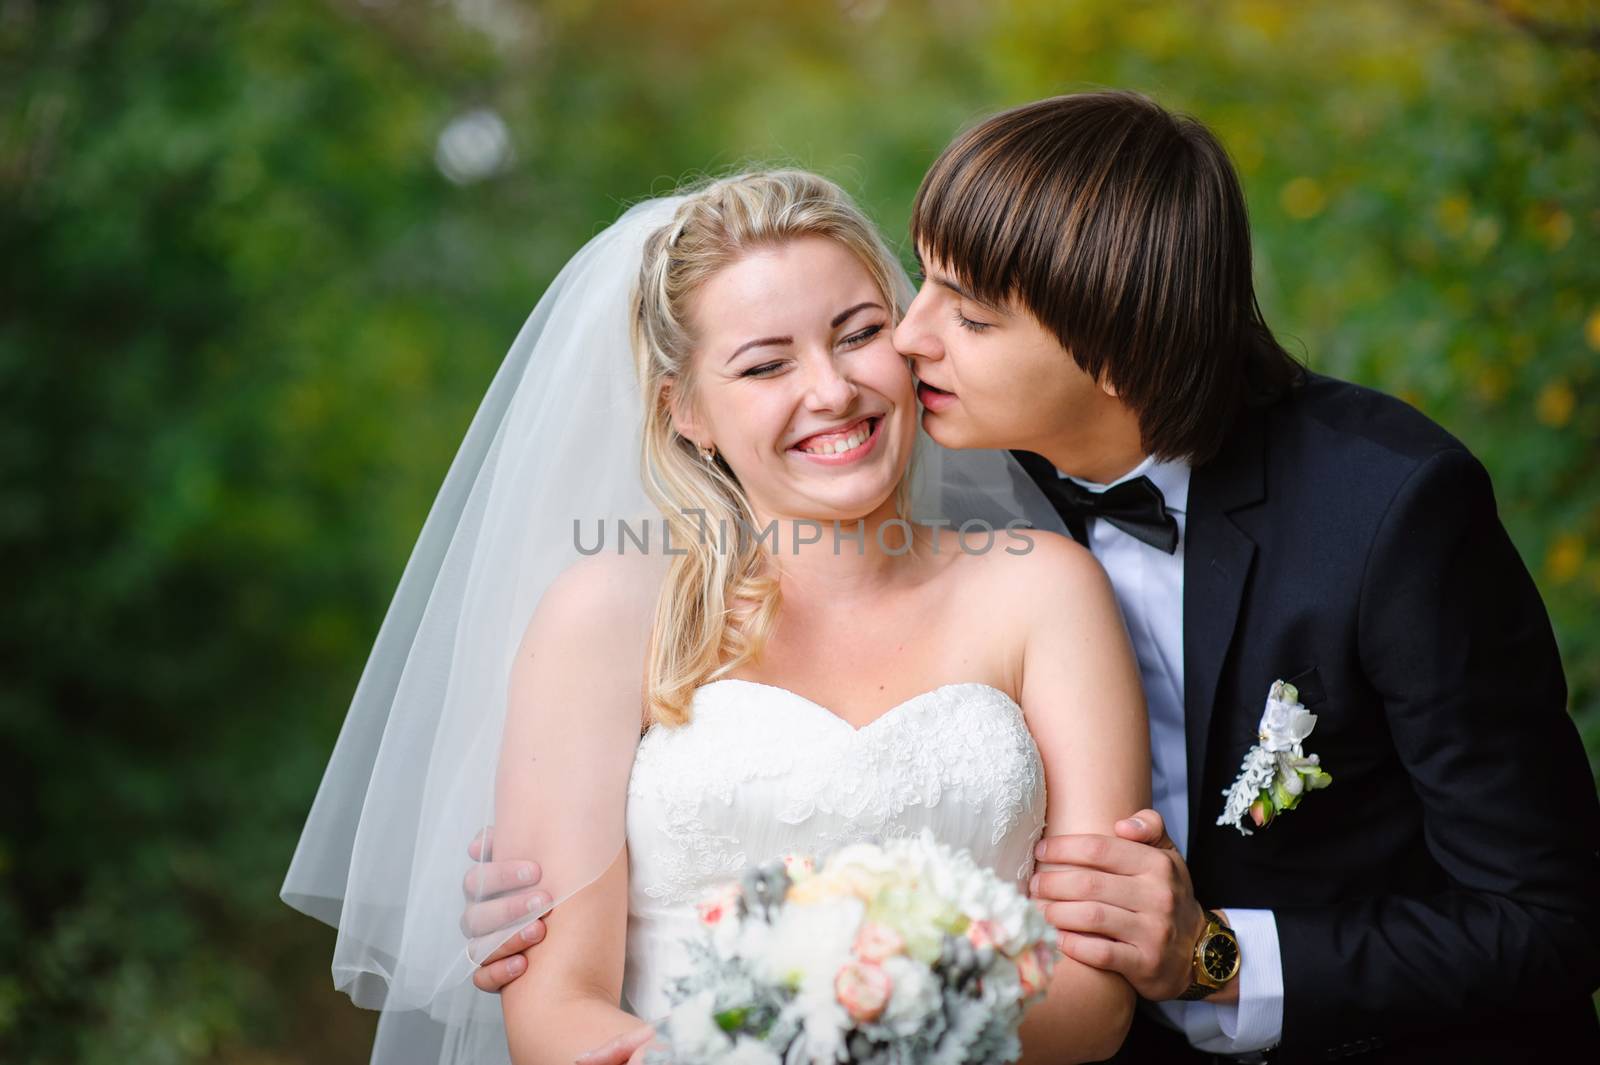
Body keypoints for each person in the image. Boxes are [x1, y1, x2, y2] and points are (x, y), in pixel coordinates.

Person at [476, 94, 1600, 1063]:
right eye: (913, 293)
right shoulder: (981, 465)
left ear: (1112, 345)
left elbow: (1552, 920)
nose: (903, 349)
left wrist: (1211, 955)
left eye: (960, 315)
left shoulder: (1383, 513)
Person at [285, 169, 1154, 1065]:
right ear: (686, 409)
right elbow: (555, 1009)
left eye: (858, 336)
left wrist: (884, 1040)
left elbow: (1094, 994)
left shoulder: (1045, 590)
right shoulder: (606, 618)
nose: (831, 390)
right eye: (767, 364)